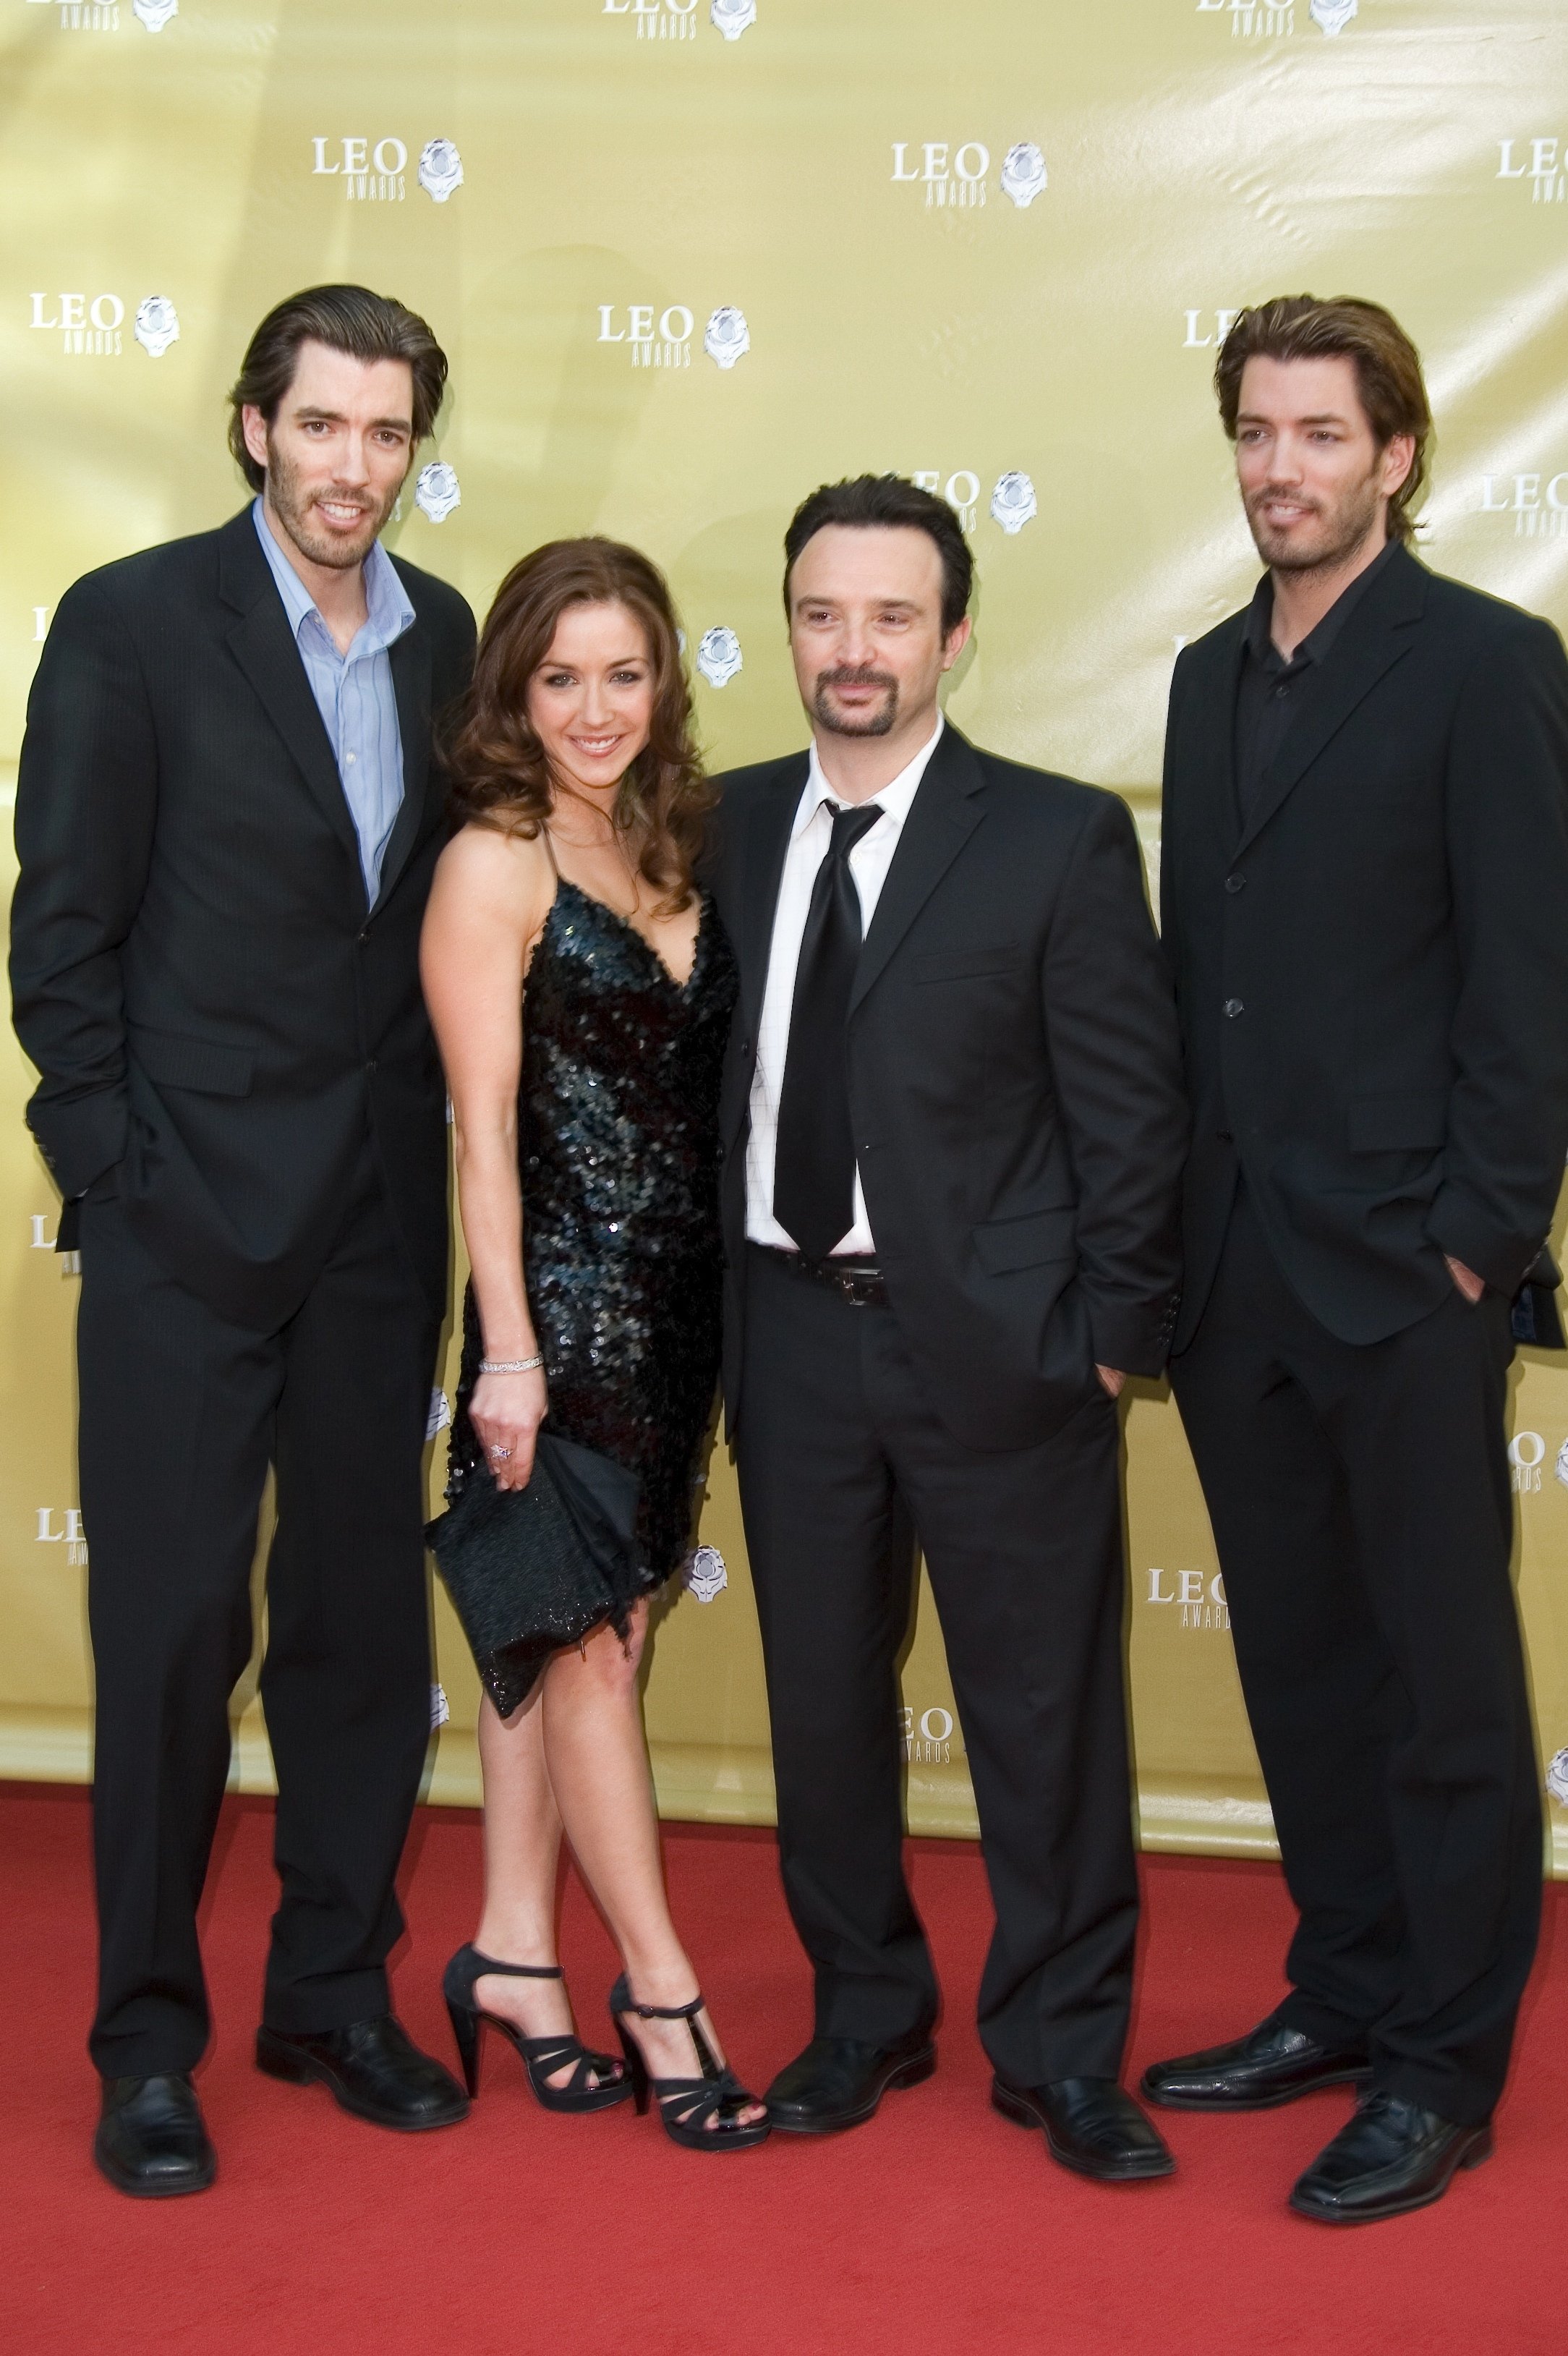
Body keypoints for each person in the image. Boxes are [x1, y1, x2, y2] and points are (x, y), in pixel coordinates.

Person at [9, 285, 477, 2198]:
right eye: (323, 424)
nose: (352, 464)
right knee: (175, 1630)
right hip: (184, 1228)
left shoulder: (449, 636)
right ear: (250, 427)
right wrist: (118, 1172)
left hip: (380, 1223)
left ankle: (329, 1989)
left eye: (386, 432)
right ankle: (143, 2039)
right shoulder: (130, 626)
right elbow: (63, 937)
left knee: (361, 1637)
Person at [706, 475, 1189, 2179]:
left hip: (1007, 1350)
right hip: (786, 1338)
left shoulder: (1055, 838)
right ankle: (862, 2016)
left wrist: (1108, 1339)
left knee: (1042, 1715)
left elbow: (1131, 1117)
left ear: (954, 636)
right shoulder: (722, 822)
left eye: (892, 616)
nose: (855, 649)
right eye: (824, 614)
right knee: (824, 1703)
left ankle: (1062, 2051)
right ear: (789, 629)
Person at [1145, 295, 1568, 2224]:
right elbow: (1196, 990)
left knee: (1444, 1684)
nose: (1279, 467)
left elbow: (1528, 975)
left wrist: (1481, 1238)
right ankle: (1346, 1988)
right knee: (1306, 1673)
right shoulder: (1202, 677)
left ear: (1397, 453)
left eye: (1320, 433)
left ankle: (1443, 2067)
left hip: (1408, 1270)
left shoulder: (1489, 666)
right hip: (1239, 1274)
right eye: (1255, 431)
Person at [419, 538, 768, 2153]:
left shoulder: (665, 838)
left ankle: (506, 1952)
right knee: (590, 1653)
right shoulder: (495, 860)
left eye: (622, 673)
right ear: (514, 688)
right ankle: (661, 1988)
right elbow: (480, 1133)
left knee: (554, 1638)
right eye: (559, 677)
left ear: (662, 681)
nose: (593, 707)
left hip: (678, 1316)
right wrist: (506, 1352)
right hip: (550, 1315)